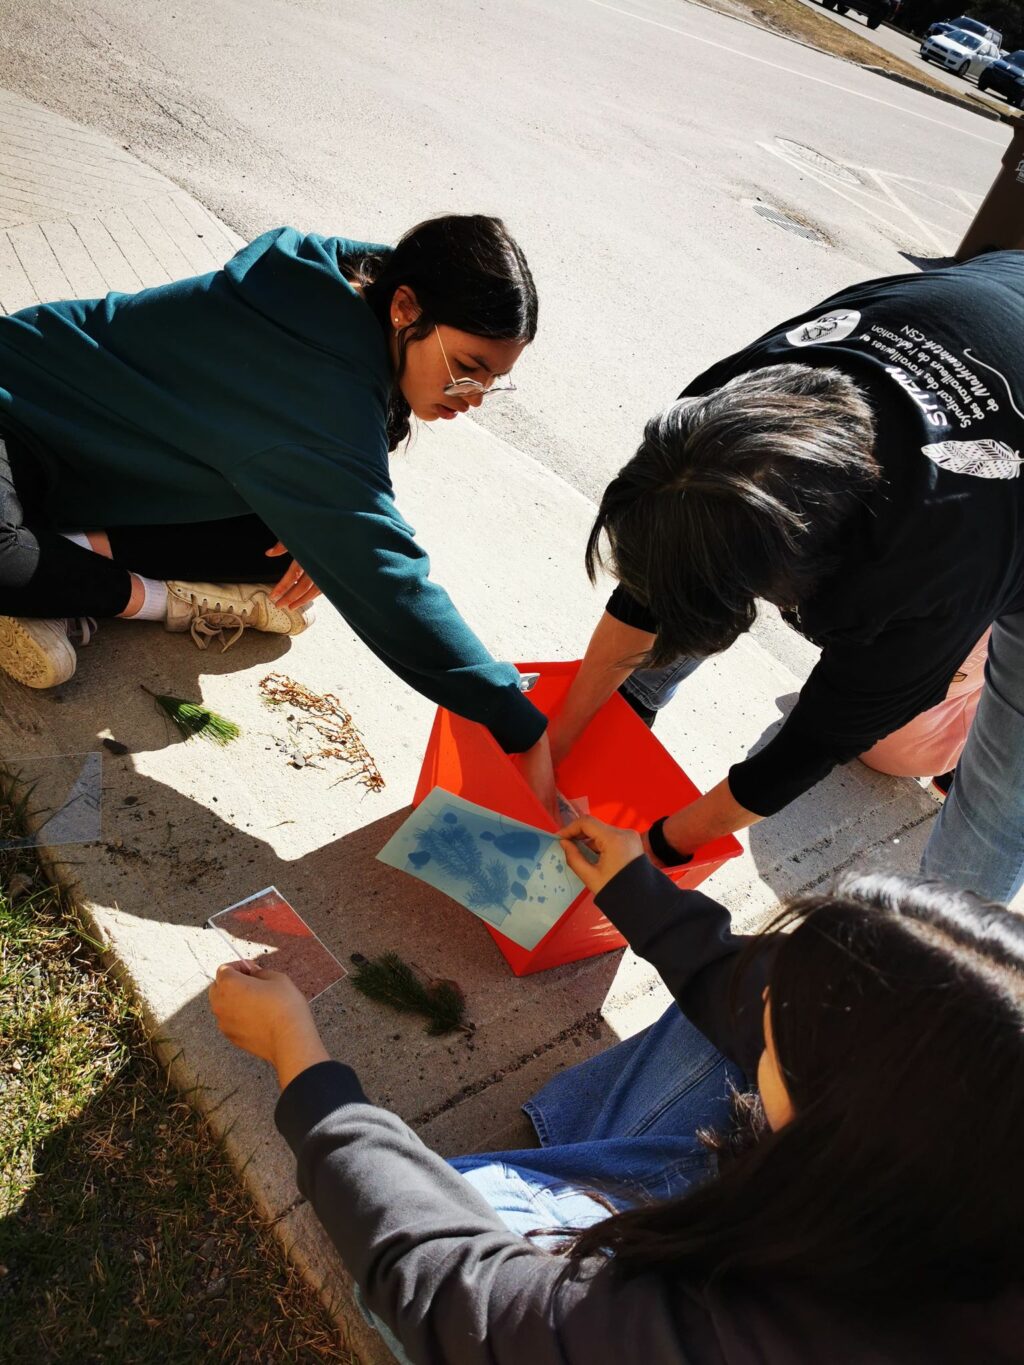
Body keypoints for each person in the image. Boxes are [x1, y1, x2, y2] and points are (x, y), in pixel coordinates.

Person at [210, 816, 1024, 1364]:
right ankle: (589, 1162)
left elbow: (457, 1292)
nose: (766, 1007)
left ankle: (571, 1183)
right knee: (721, 1035)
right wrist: (637, 889)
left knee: (439, 1203)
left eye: (782, 1028)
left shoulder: (759, 1332)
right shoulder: (973, 1137)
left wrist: (303, 1065)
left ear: (851, 1140)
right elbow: (757, 999)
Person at [0, 214, 554, 804]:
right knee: (5, 561)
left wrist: (331, 531)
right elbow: (391, 581)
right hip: (20, 410)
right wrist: (515, 720)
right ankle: (146, 597)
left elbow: (360, 534)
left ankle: (62, 569)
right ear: (404, 310)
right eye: (467, 369)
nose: (475, 398)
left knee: (301, 550)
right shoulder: (315, 370)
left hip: (113, 472)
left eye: (494, 381)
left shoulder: (366, 288)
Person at [548, 253, 1024, 904]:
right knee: (699, 557)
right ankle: (628, 709)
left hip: (988, 508)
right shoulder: (723, 411)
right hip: (988, 302)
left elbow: (815, 741)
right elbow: (666, 567)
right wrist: (557, 739)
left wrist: (660, 847)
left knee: (1002, 786)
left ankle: (940, 945)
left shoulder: (924, 567)